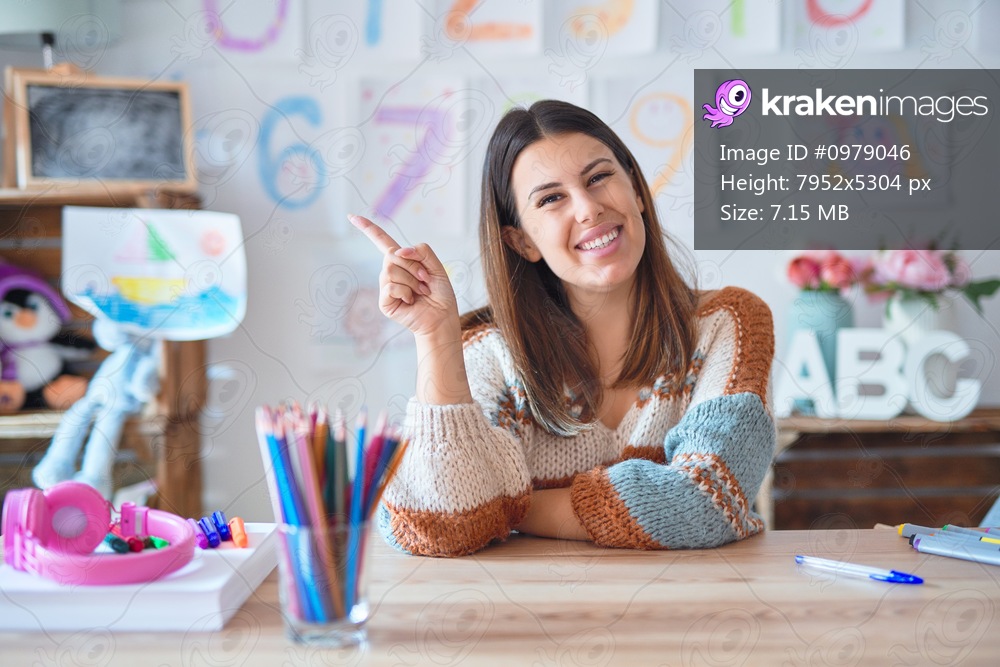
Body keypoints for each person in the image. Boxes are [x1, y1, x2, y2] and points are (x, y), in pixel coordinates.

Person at [352, 100, 775, 557]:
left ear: (635, 190)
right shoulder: (488, 352)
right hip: (531, 621)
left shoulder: (729, 323)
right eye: (551, 198)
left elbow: (705, 503)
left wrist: (507, 506)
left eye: (599, 178)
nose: (589, 209)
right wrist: (436, 337)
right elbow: (440, 525)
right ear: (522, 241)